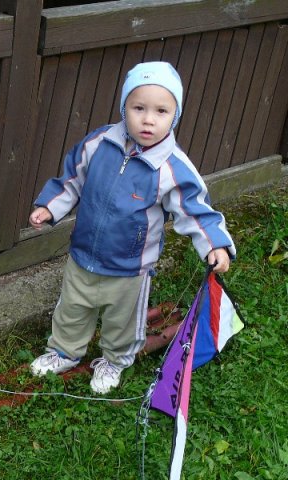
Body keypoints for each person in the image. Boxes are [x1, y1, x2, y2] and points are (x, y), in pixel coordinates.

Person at [28, 61, 235, 394]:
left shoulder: (171, 167)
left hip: (130, 269)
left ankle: (114, 361)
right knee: (72, 309)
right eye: (139, 108)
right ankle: (64, 351)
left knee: (122, 322)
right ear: (124, 107)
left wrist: (214, 244)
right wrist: (50, 207)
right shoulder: (100, 143)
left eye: (161, 111)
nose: (149, 119)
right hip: (83, 255)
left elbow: (195, 209)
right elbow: (72, 177)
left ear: (175, 116)